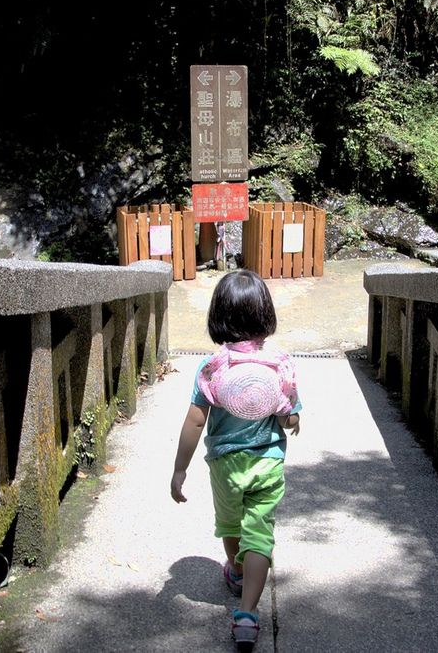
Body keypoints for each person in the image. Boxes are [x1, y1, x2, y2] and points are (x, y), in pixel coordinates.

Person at [170, 270, 302, 651]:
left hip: (226, 465)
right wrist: (289, 417)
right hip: (268, 462)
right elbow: (290, 416)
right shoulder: (280, 365)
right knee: (260, 534)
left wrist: (180, 469)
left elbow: (196, 420)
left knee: (230, 523)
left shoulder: (212, 368)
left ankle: (238, 570)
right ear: (266, 313)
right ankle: (247, 615)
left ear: (219, 315)